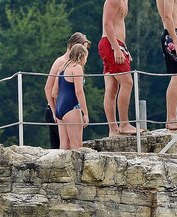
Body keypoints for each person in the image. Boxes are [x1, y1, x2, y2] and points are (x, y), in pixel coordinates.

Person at [45, 32, 90, 149]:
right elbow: (79, 92)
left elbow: (54, 93)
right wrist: (85, 113)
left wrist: (56, 111)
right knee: (77, 147)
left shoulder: (62, 68)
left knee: (63, 147)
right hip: (71, 108)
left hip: (60, 108)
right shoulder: (76, 68)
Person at [99, 0, 138, 137]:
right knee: (127, 83)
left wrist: (124, 49)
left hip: (117, 44)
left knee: (112, 88)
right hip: (111, 44)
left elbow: (118, 24)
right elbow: (108, 24)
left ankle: (113, 130)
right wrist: (116, 49)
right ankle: (124, 124)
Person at [156, 0, 177, 130]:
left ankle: (173, 117)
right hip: (174, 35)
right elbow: (167, 16)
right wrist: (175, 40)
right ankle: (171, 118)